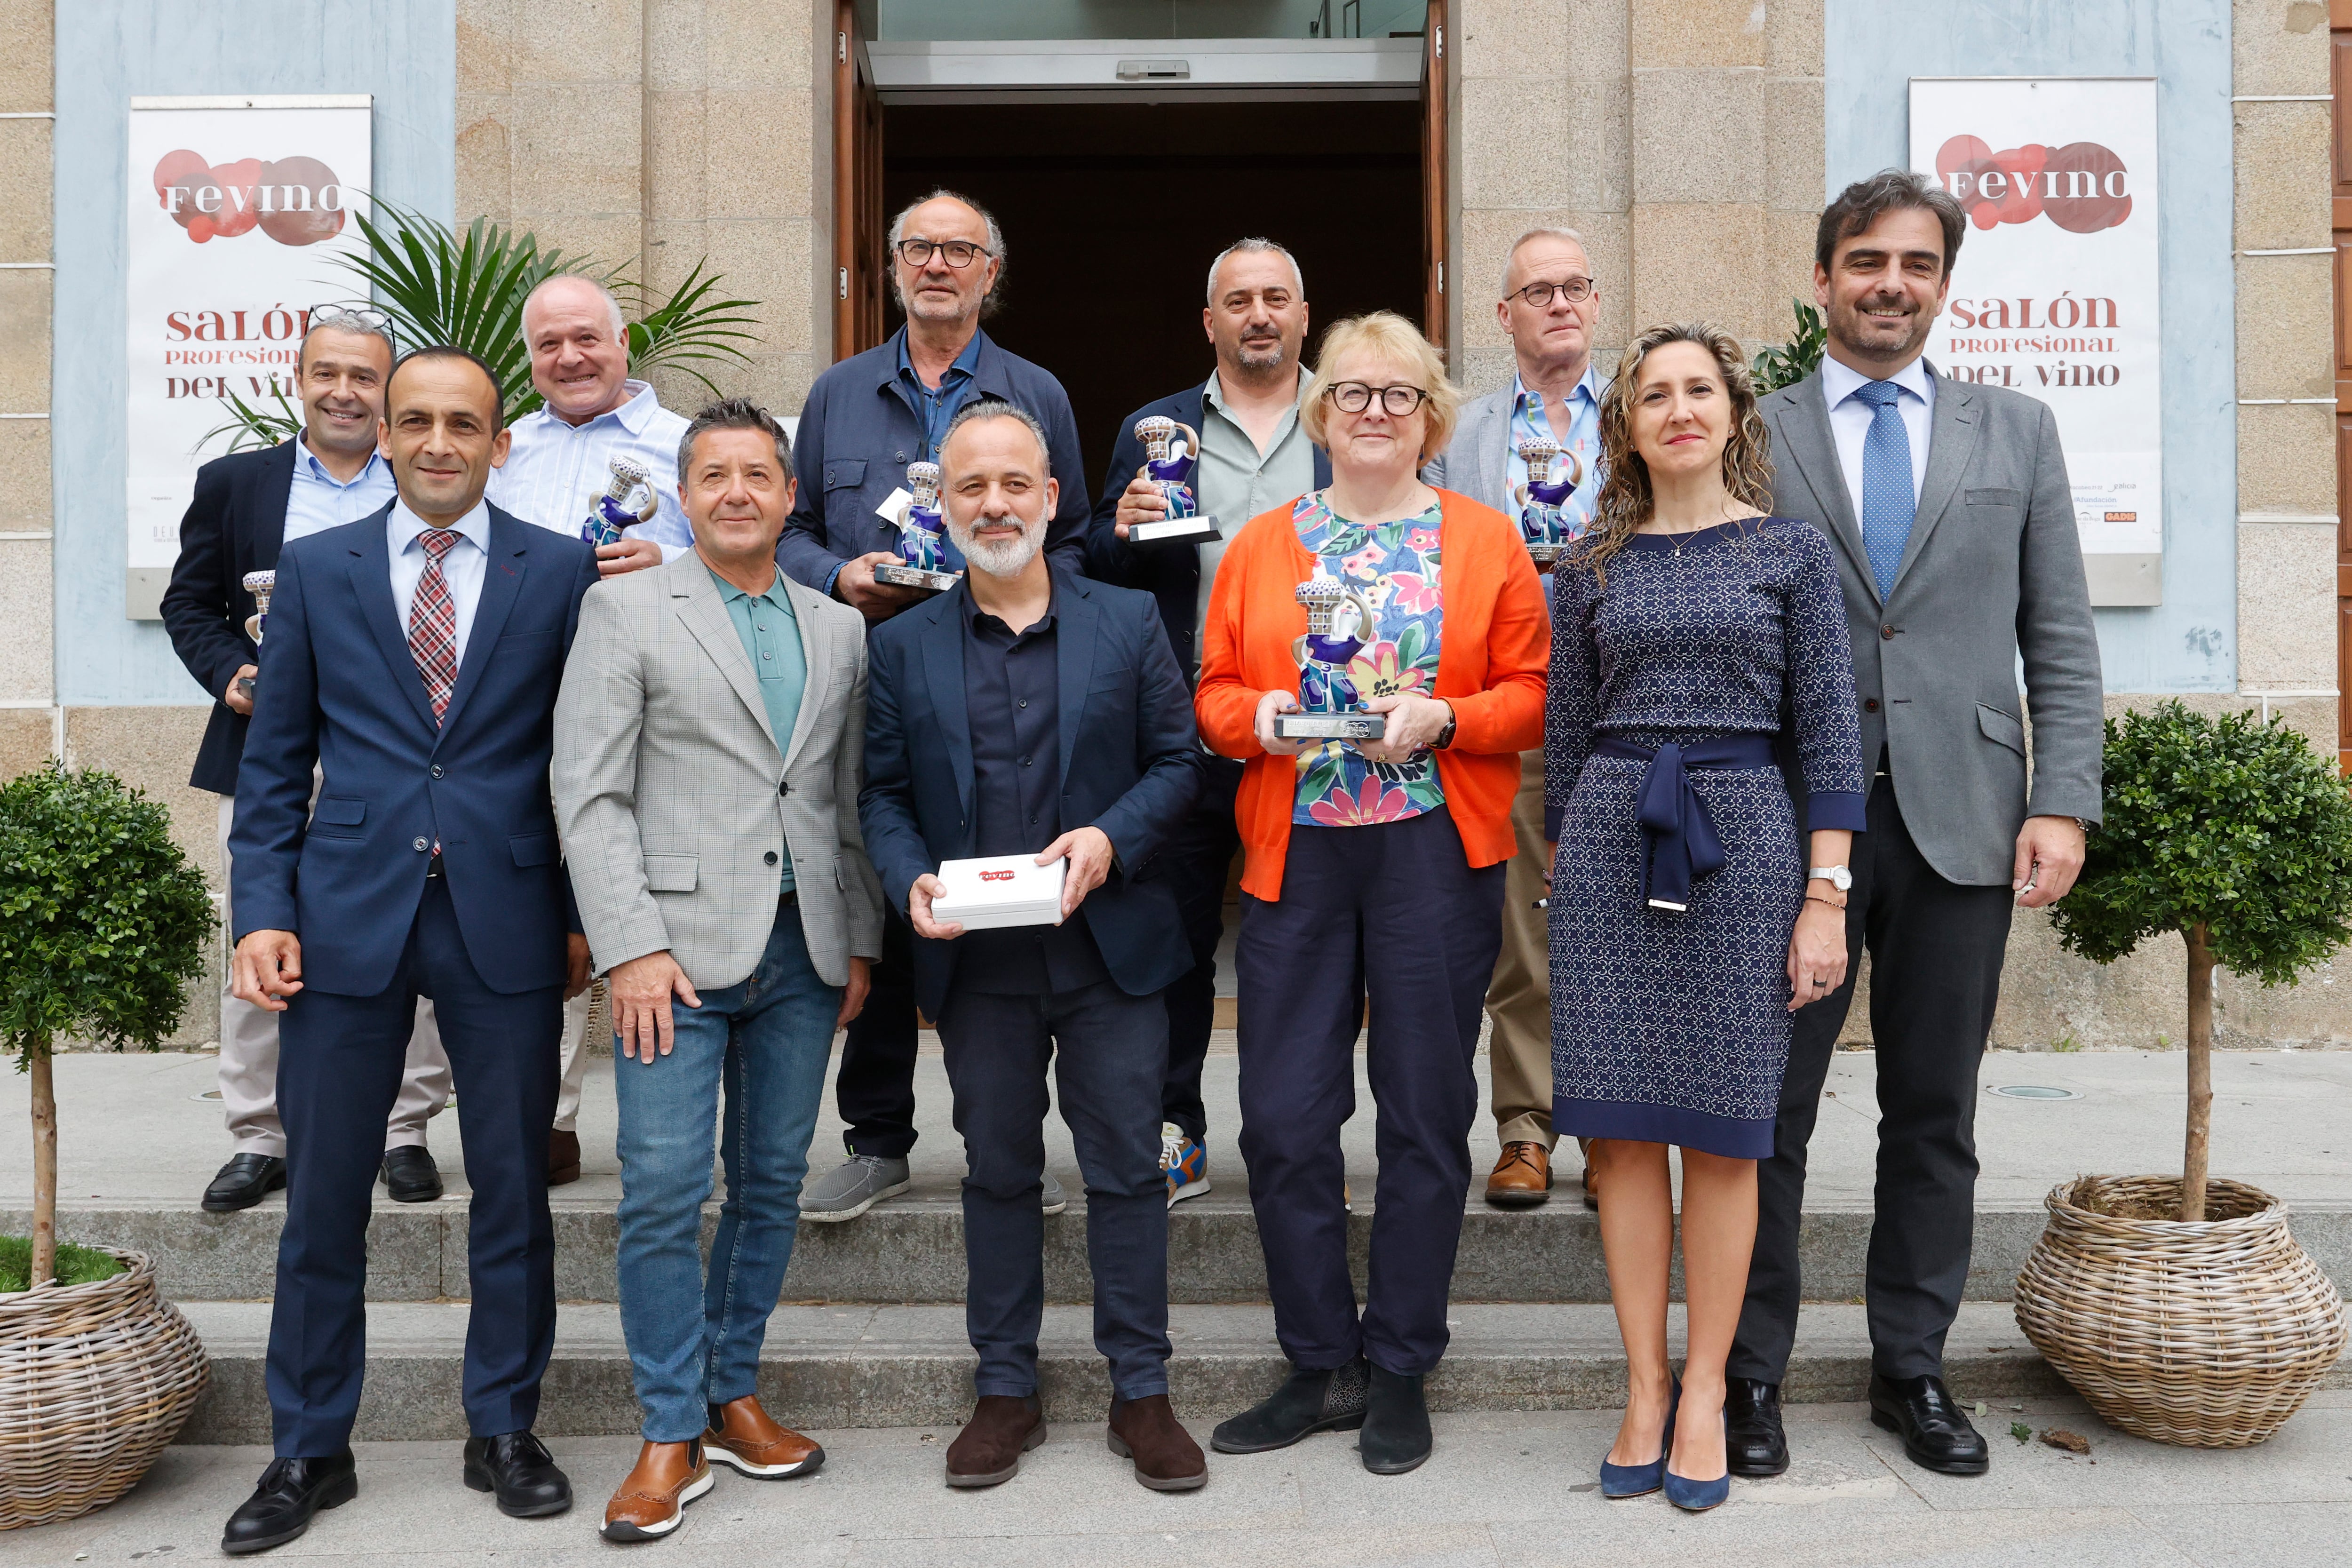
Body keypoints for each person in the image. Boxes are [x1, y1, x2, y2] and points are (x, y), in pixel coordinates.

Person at [1726, 169, 2104, 1480]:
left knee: (1933, 1107)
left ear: (1944, 282)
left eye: (1917, 263)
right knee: (1765, 1112)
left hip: (1967, 817)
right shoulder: (1752, 433)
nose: (1892, 282)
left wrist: (2062, 794)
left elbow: (2057, 628)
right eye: (1867, 260)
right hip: (1788, 826)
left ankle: (1912, 1367)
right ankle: (1748, 1372)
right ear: (1824, 277)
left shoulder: (2017, 431)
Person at [220, 346, 600, 1555]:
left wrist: (590, 918)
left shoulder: (563, 571)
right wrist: (261, 913)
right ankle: (308, 1445)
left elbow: (586, 760)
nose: (440, 442)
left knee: (512, 1195)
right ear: (380, 434)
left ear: (501, 441)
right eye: (416, 421)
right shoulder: (321, 571)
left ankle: (505, 1427)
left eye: (466, 424)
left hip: (509, 914)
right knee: (323, 1196)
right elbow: (275, 762)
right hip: (342, 916)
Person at [1196, 313, 1548, 1476]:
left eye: (1400, 396)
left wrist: (1449, 716)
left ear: (1432, 418)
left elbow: (1534, 691)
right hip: (1297, 849)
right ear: (1321, 412)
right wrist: (1257, 718)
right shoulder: (1261, 545)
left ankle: (1399, 1359)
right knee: (1285, 1119)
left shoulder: (1486, 541)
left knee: (1420, 1111)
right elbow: (1213, 694)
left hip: (1431, 853)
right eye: (1353, 393)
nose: (1375, 413)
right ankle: (1317, 1358)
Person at [858, 399, 1207, 1492]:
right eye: (972, 487)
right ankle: (1005, 1387)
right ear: (944, 504)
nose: (995, 503)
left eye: (1016, 483)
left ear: (1054, 498)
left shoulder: (1125, 620)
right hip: (978, 964)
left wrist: (1110, 835)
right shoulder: (904, 641)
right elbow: (880, 791)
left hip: (1109, 953)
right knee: (998, 1171)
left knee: (1124, 1173)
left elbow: (1179, 763)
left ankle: (1140, 1392)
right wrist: (906, 872)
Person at [1546, 322, 1865, 1512]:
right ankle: (1640, 1381)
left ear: (1733, 413)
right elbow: (1566, 741)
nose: (1678, 409)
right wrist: (1562, 876)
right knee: (1622, 1137)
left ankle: (1703, 1392)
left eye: (1698, 390)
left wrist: (1823, 899)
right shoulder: (1586, 564)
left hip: (1747, 850)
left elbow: (1831, 737)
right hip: (1610, 847)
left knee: (1728, 1137)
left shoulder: (1789, 553)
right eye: (1652, 394)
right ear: (1625, 425)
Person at [554, 398, 884, 1542]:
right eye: (714, 475)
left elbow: (839, 797)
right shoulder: (624, 608)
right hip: (674, 959)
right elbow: (588, 792)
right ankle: (667, 1430)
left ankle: (732, 1390)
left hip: (804, 950)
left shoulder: (836, 627)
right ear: (683, 496)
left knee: (771, 1182)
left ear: (792, 498)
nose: (737, 491)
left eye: (759, 474)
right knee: (658, 1189)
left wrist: (860, 940)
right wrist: (632, 944)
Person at [782, 190, 1090, 1223]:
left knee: (997, 890)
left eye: (961, 249)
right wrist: (843, 573)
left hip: (1003, 677)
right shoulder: (835, 393)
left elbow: (1076, 534)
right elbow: (789, 537)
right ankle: (877, 1138)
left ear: (990, 272)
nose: (938, 264)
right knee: (883, 889)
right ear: (892, 264)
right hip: (873, 672)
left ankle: (1003, 1136)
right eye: (919, 247)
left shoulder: (1036, 392)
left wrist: (1011, 584)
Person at [160, 306, 453, 1212]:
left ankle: (404, 1130)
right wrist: (234, 671)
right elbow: (189, 606)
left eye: (365, 376)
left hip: (403, 759)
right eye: (328, 372)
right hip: (269, 750)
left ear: (389, 392)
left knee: (421, 933)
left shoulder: (426, 479)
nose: (344, 391)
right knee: (261, 933)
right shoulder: (237, 483)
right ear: (299, 377)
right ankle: (260, 1133)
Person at [1083, 237, 1330, 1210]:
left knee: (1309, 946)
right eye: (1239, 300)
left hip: (1319, 737)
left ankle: (1301, 1141)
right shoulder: (1157, 427)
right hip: (1188, 731)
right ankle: (1176, 1128)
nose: (1258, 314)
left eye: (1276, 297)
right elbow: (1096, 564)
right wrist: (1124, 522)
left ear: (1304, 316)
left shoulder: (1343, 419)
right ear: (1209, 322)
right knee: (1174, 944)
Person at [487, 273, 691, 1186]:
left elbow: (754, 546)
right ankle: (549, 1117)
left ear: (624, 342)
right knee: (541, 914)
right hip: (526, 712)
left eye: (586, 339)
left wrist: (669, 558)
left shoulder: (682, 444)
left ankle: (677, 1124)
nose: (568, 357)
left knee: (654, 903)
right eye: (547, 345)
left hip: (659, 709)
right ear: (528, 359)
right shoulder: (503, 451)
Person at [1424, 228, 1607, 1211]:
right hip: (1517, 699)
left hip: (1631, 702)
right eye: (1536, 290)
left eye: (1574, 286)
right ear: (1504, 316)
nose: (1559, 303)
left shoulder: (1642, 413)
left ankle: (1618, 1129)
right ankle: (1527, 1128)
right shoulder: (1462, 431)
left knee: (1626, 917)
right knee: (1525, 930)